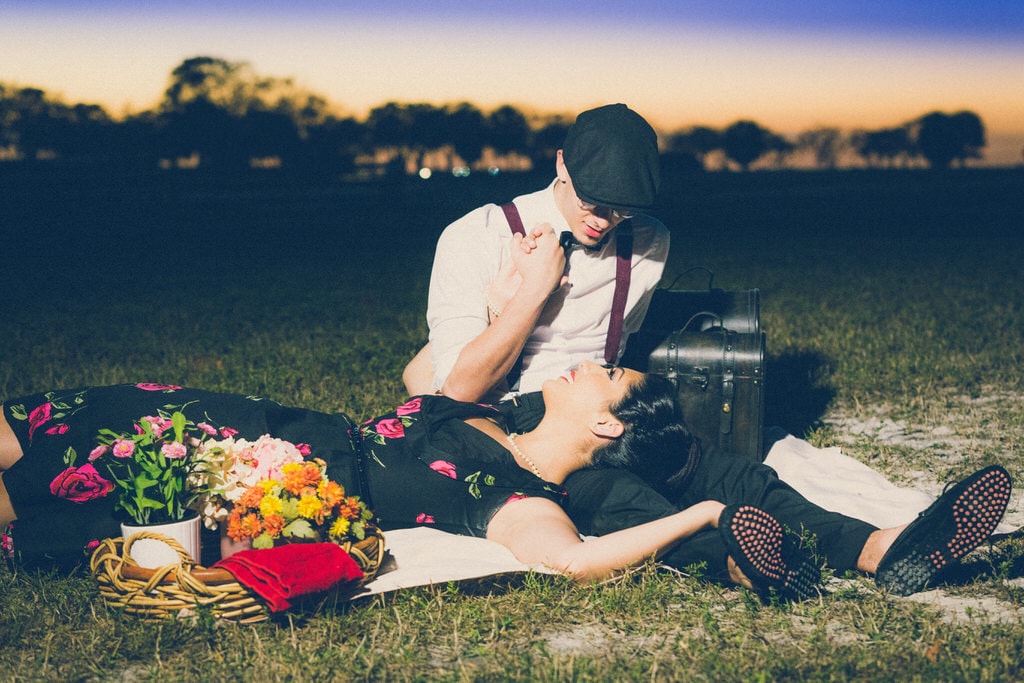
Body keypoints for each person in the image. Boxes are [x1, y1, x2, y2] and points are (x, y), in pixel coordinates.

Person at [2, 368, 1012, 600]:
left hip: (246, 474)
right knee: (50, 414)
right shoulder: (505, 415)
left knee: (60, 484)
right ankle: (863, 551)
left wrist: (705, 510)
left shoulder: (507, 495)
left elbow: (570, 561)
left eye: (599, 373)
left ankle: (856, 553)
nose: (580, 365)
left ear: (607, 419)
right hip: (249, 418)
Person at [403, 103, 670, 403]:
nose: (603, 221)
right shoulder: (477, 236)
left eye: (622, 210)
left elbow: (625, 340)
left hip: (591, 412)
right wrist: (535, 289)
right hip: (495, 413)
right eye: (591, 202)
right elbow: (459, 392)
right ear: (562, 165)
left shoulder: (650, 240)